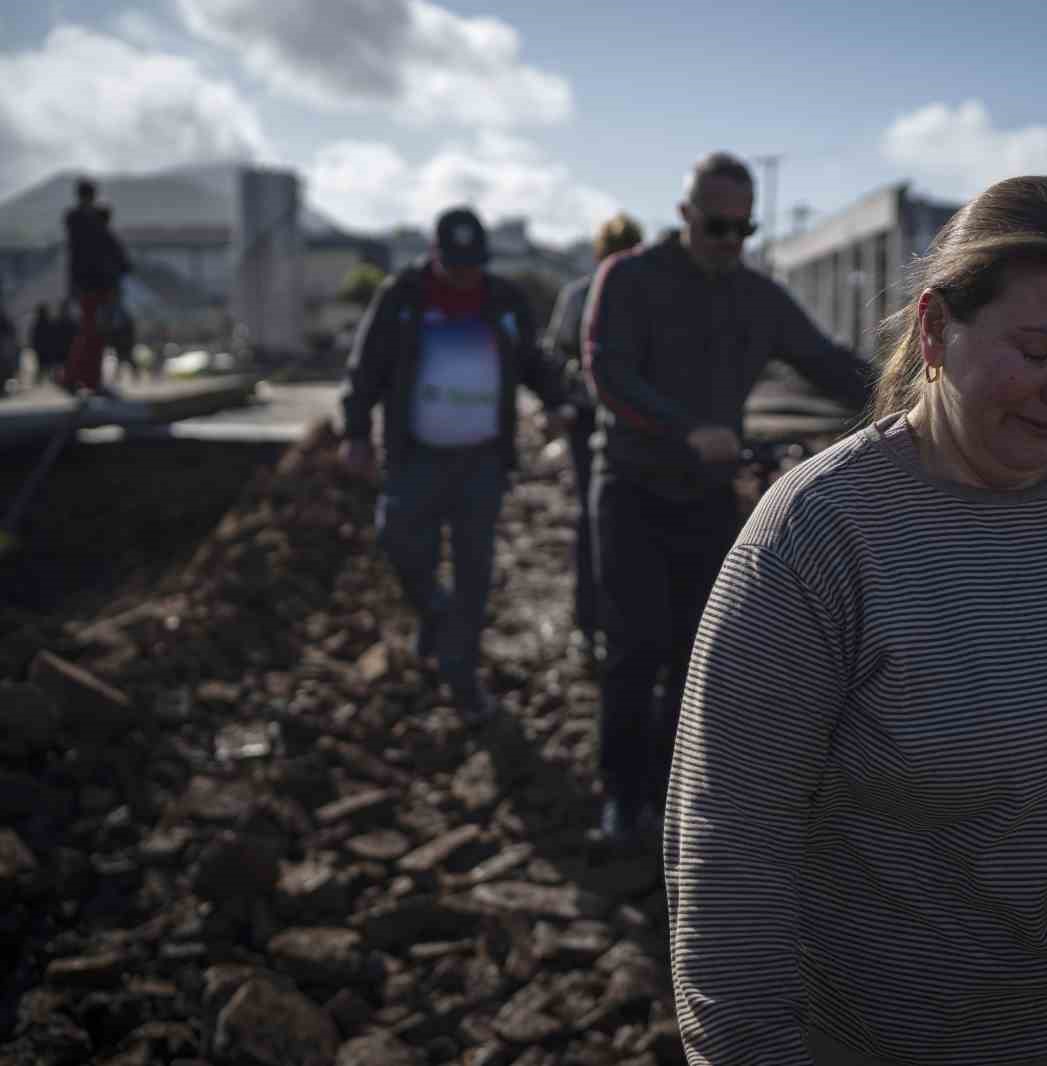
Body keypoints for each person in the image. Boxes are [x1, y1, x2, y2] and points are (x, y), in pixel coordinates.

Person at [663, 176, 1047, 1066]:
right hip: (866, 1039)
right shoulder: (820, 536)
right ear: (935, 329)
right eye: (1040, 347)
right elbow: (732, 846)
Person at [583, 152, 873, 839]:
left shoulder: (758, 298)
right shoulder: (628, 280)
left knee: (699, 652)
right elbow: (608, 372)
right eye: (717, 227)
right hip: (631, 489)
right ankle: (622, 796)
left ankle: (676, 790)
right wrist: (686, 429)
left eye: (744, 230)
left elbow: (826, 362)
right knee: (633, 647)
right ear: (684, 215)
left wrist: (915, 400)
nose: (730, 243)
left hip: (707, 501)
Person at [339, 206, 569, 722]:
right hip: (415, 454)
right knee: (397, 539)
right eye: (456, 264)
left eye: (474, 264)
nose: (466, 274)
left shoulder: (504, 300)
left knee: (474, 568)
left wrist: (556, 400)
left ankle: (462, 678)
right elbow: (367, 366)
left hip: (482, 460)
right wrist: (355, 431)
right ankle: (436, 616)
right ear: (434, 255)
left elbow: (531, 359)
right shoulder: (402, 297)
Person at [541, 212, 645, 665]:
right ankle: (597, 625)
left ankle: (603, 625)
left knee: (599, 518)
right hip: (605, 418)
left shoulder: (580, 294)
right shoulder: (591, 294)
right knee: (600, 519)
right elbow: (557, 355)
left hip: (613, 419)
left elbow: (555, 352)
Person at [61, 179, 130, 395]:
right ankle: (78, 378)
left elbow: (75, 258)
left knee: (93, 333)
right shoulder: (88, 224)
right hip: (95, 286)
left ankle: (86, 379)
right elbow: (108, 257)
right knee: (92, 332)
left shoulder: (79, 222)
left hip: (91, 285)